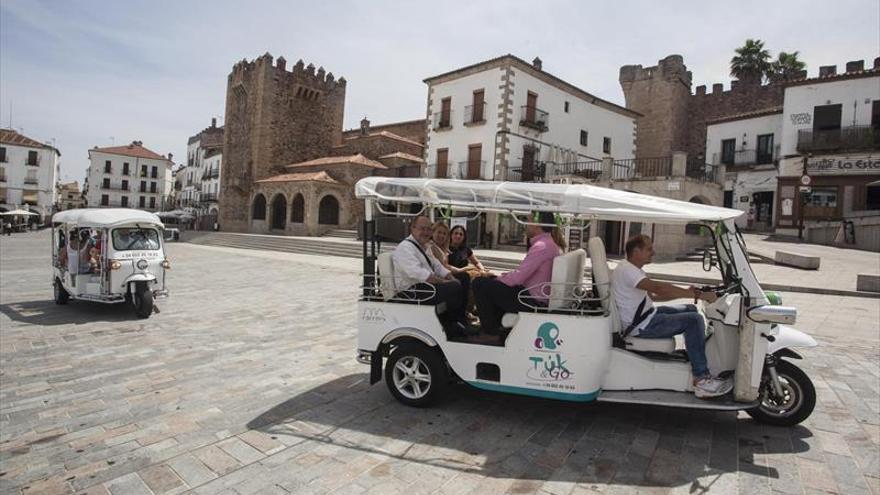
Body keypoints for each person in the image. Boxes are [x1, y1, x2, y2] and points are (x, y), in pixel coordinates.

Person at [611, 234, 732, 399]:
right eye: (649, 249)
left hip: (647, 315)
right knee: (694, 320)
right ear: (637, 251)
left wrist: (691, 295)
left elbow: (653, 296)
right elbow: (659, 288)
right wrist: (697, 294)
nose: (652, 252)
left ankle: (695, 356)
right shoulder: (628, 271)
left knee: (690, 309)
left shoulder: (632, 269)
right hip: (642, 326)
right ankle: (701, 379)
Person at [472, 211, 563, 337]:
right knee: (492, 282)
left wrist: (498, 278)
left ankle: (489, 332)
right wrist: (496, 278)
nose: (525, 224)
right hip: (532, 296)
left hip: (531, 301)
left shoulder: (542, 246)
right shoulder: (549, 244)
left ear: (536, 224)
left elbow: (518, 278)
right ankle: (496, 327)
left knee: (479, 283)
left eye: (528, 220)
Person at [391, 215, 470, 335]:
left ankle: (459, 320)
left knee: (464, 278)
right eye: (422, 229)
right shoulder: (405, 248)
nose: (426, 232)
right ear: (413, 228)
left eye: (429, 229)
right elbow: (419, 274)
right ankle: (452, 324)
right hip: (412, 291)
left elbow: (437, 266)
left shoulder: (424, 246)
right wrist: (445, 282)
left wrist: (450, 277)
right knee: (453, 287)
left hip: (425, 287)